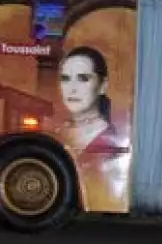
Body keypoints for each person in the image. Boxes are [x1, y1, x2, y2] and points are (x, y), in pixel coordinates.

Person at [56, 46, 127, 211]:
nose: (72, 88)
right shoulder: (58, 133)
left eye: (83, 78)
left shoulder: (110, 143)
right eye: (65, 79)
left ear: (103, 85)